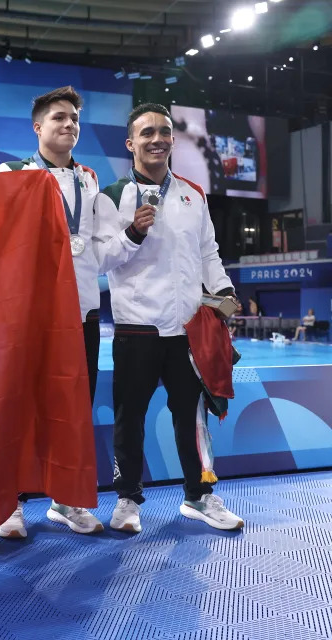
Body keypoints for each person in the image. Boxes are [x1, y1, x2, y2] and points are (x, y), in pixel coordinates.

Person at [94, 102, 243, 533]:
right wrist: (133, 233)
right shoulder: (112, 195)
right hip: (137, 327)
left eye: (163, 131)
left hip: (187, 327)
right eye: (146, 133)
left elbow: (207, 253)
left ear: (173, 139)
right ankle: (127, 500)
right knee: (130, 416)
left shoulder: (193, 194)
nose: (157, 139)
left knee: (192, 416)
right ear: (131, 143)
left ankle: (199, 496)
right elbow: (102, 259)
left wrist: (224, 290)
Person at [0, 86, 104, 538]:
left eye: (74, 119)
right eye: (59, 118)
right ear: (37, 126)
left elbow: (98, 244)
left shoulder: (90, 179)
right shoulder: (11, 173)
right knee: (21, 408)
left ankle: (66, 499)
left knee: (76, 407)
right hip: (32, 315)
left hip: (83, 311)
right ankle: (10, 502)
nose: (69, 126)